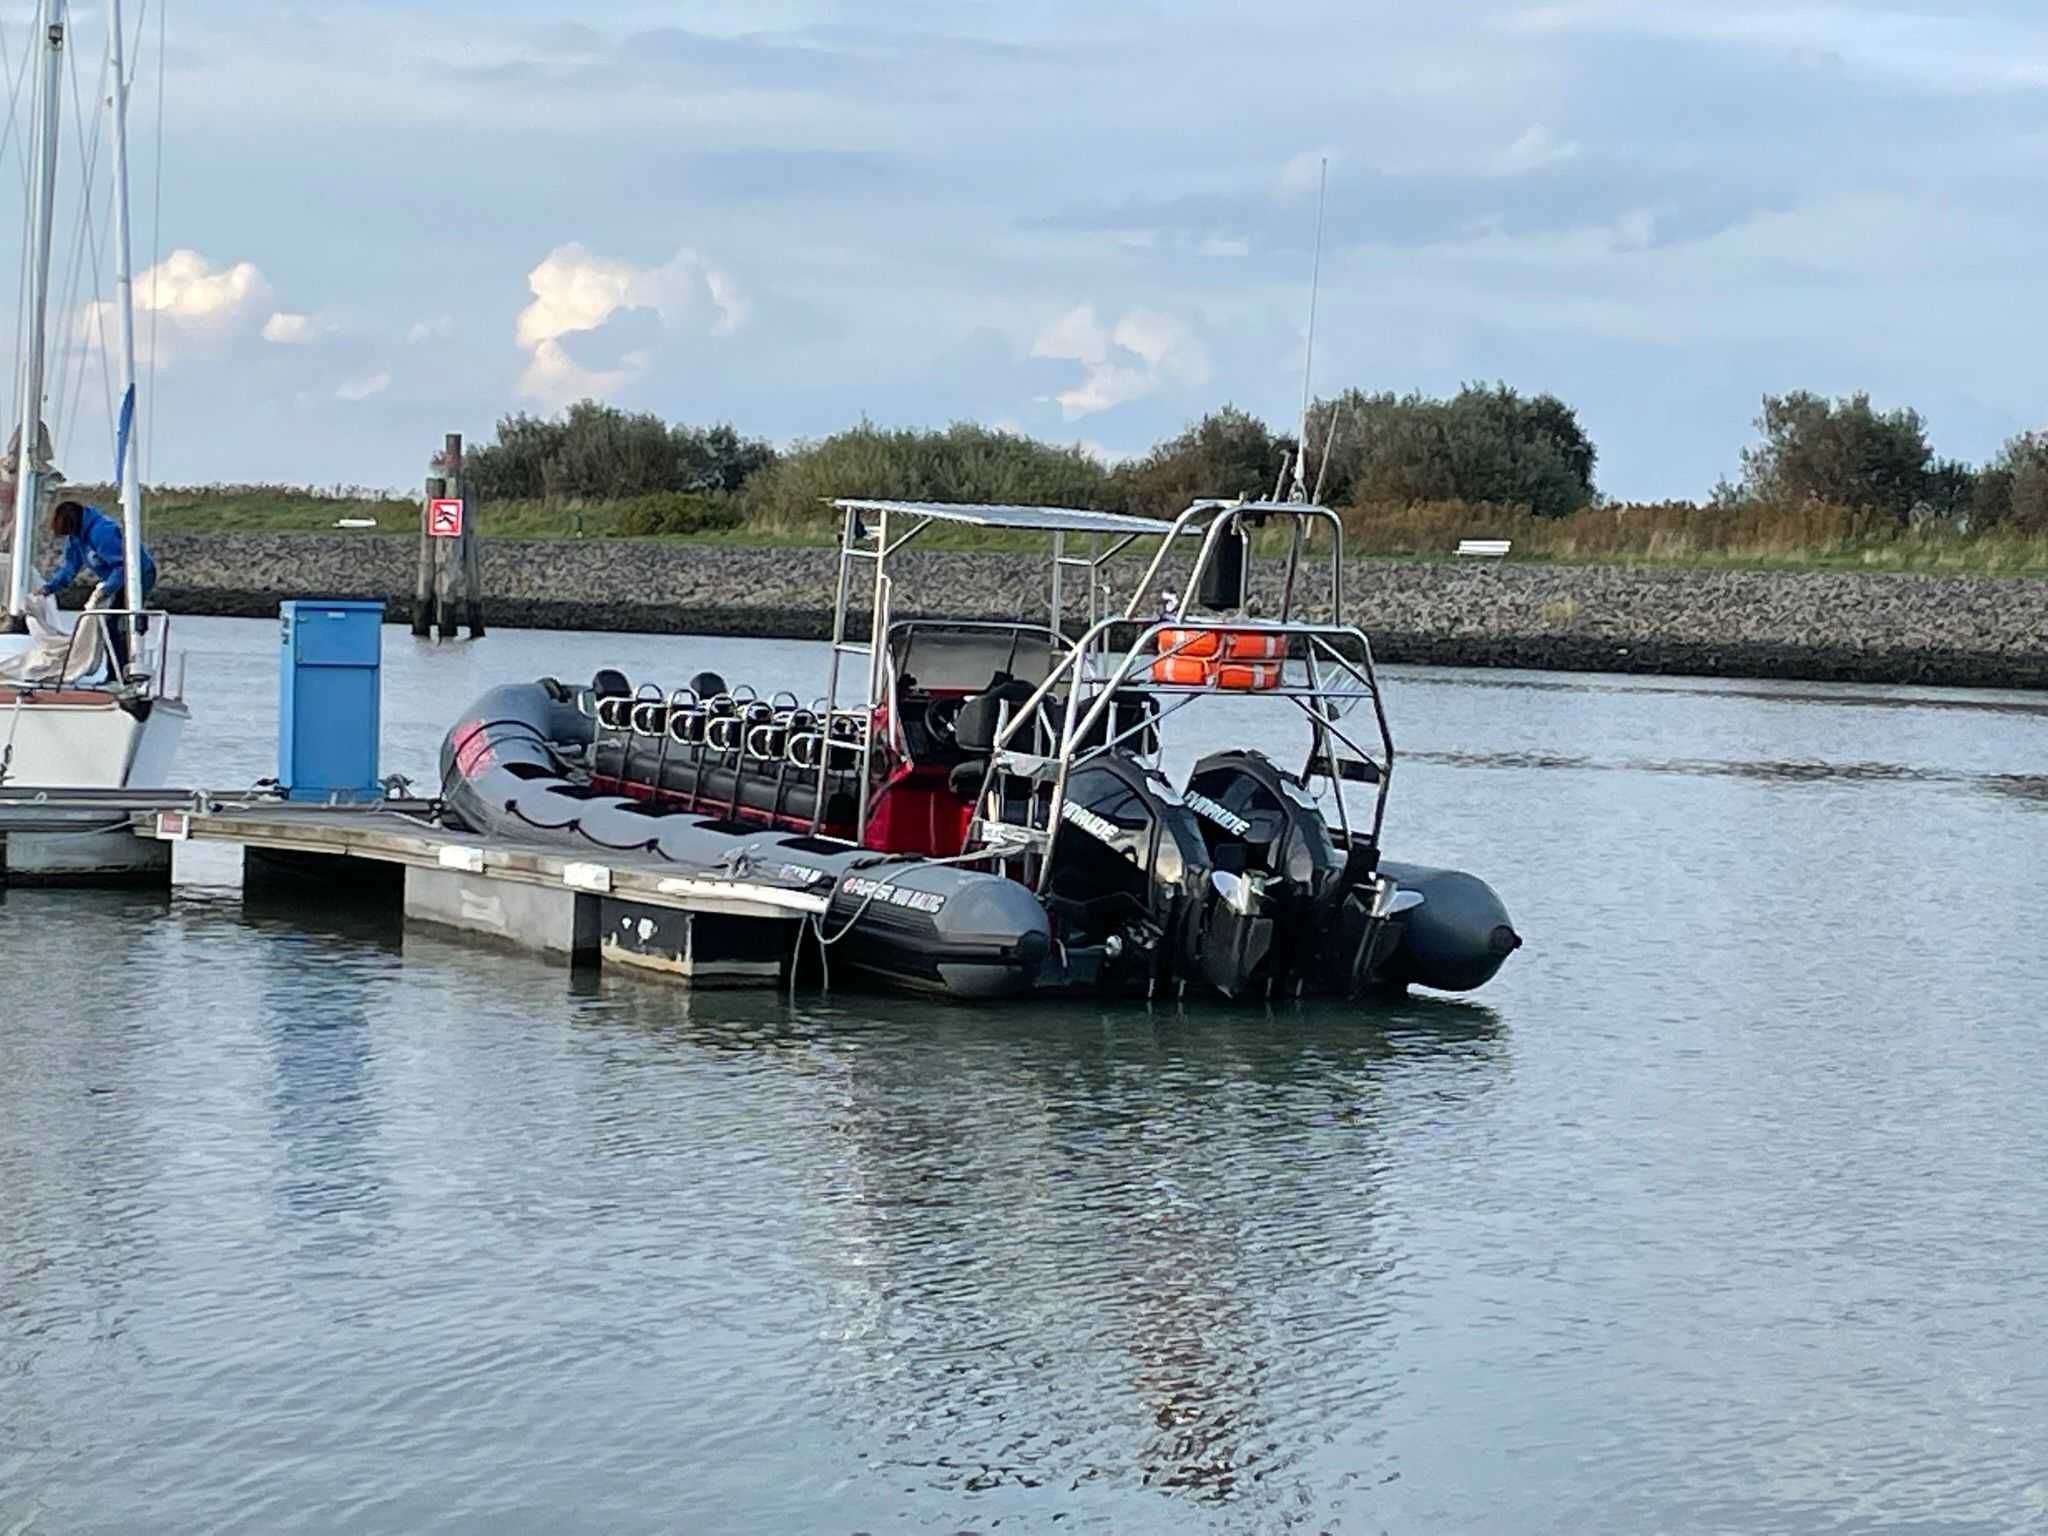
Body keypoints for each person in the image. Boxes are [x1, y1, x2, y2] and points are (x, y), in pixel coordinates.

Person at [38, 499, 157, 673]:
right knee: (110, 623)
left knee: (114, 623)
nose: (68, 536)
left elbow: (122, 565)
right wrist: (49, 588)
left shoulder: (103, 532)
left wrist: (107, 589)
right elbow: (70, 567)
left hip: (138, 573)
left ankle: (118, 674)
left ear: (75, 523)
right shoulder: (76, 538)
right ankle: (116, 670)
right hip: (115, 576)